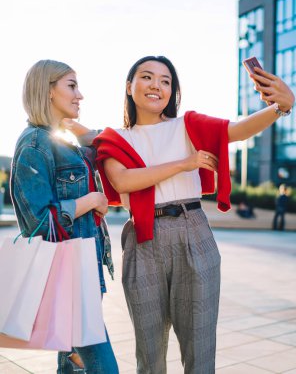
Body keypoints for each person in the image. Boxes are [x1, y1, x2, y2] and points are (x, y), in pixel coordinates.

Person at [65, 55, 295, 374]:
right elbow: (122, 180)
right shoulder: (114, 139)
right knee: (149, 354)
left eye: (166, 81)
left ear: (173, 92)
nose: (156, 85)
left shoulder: (188, 125)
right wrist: (184, 164)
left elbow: (238, 130)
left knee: (200, 351)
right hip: (143, 238)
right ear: (129, 86)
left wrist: (280, 107)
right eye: (147, 77)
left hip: (192, 230)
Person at [10, 60, 119, 374]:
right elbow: (38, 223)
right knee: (103, 366)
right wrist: (91, 200)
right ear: (47, 91)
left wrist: (92, 201)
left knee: (73, 367)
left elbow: (103, 145)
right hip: (67, 275)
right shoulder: (34, 144)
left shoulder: (61, 143)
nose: (80, 95)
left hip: (81, 268)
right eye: (71, 85)